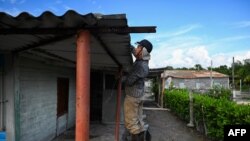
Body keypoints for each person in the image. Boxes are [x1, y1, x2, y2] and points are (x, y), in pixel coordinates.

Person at [121, 39, 153, 141]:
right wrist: (129, 46)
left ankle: (137, 138)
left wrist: (121, 77)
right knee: (139, 121)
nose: (136, 48)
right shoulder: (142, 61)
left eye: (139, 47)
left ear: (143, 51)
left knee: (131, 123)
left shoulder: (140, 66)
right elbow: (135, 53)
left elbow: (129, 81)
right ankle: (144, 136)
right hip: (138, 95)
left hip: (132, 97)